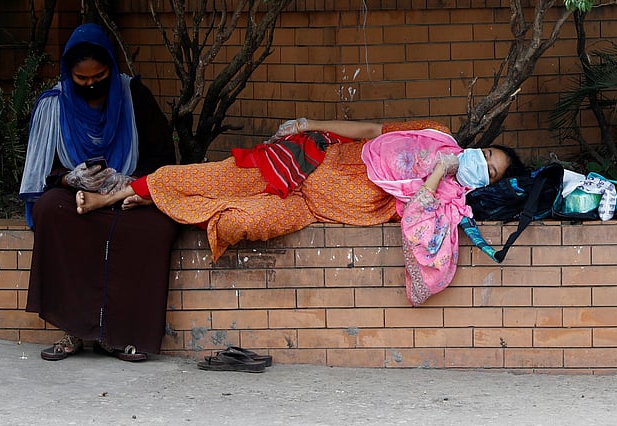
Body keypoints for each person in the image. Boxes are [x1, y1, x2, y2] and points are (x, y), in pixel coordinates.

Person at [75, 119, 523, 302]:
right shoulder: (436, 136)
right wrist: (311, 123)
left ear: (488, 185)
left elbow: (417, 230)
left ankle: (151, 199)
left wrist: (438, 175)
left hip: (307, 208)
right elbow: (370, 128)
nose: (481, 163)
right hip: (305, 163)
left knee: (238, 222)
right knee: (211, 176)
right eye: (485, 154)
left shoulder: (447, 202)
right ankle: (113, 196)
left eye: (491, 171)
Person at [19, 23, 179, 362]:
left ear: (112, 67)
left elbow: (164, 159)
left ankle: (120, 334)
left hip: (130, 192)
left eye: (99, 75)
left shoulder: (135, 96)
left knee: (156, 227)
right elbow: (41, 174)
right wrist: (70, 179)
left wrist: (128, 182)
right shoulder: (54, 105)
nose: (91, 83)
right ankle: (74, 328)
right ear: (69, 73)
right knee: (51, 210)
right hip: (74, 194)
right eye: (81, 78)